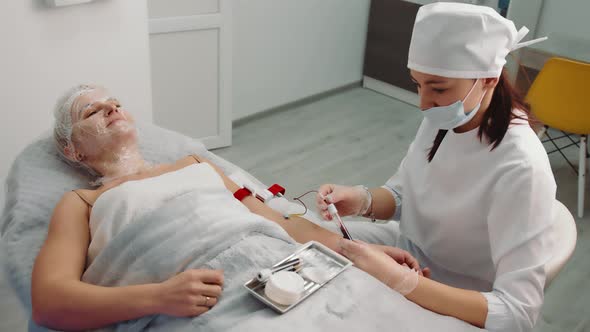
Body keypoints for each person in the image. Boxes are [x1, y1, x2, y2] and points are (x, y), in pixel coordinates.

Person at [31, 84, 427, 331]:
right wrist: (157, 297)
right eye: (92, 111)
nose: (111, 109)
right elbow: (50, 302)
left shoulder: (195, 164)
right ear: (72, 149)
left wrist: (360, 252)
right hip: (209, 300)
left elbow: (277, 219)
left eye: (114, 102)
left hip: (289, 268)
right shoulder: (82, 202)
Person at [315, 3, 556, 332]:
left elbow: (517, 313)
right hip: (409, 255)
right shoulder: (444, 118)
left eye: (438, 88)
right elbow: (403, 197)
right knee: (312, 244)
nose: (424, 103)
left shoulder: (521, 167)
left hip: (462, 296)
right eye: (418, 84)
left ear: (489, 77)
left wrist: (404, 283)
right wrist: (362, 200)